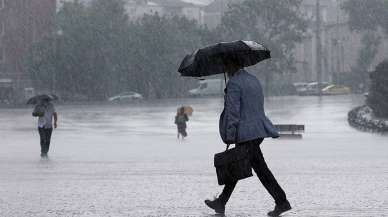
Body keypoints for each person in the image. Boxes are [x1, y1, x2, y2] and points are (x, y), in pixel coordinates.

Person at [204, 60, 291, 217]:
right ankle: (221, 202)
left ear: (231, 65)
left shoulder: (234, 84)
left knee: (258, 169)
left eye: (226, 65)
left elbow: (233, 112)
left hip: (245, 133)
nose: (225, 68)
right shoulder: (253, 80)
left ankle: (282, 201)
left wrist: (230, 134)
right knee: (238, 165)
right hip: (257, 131)